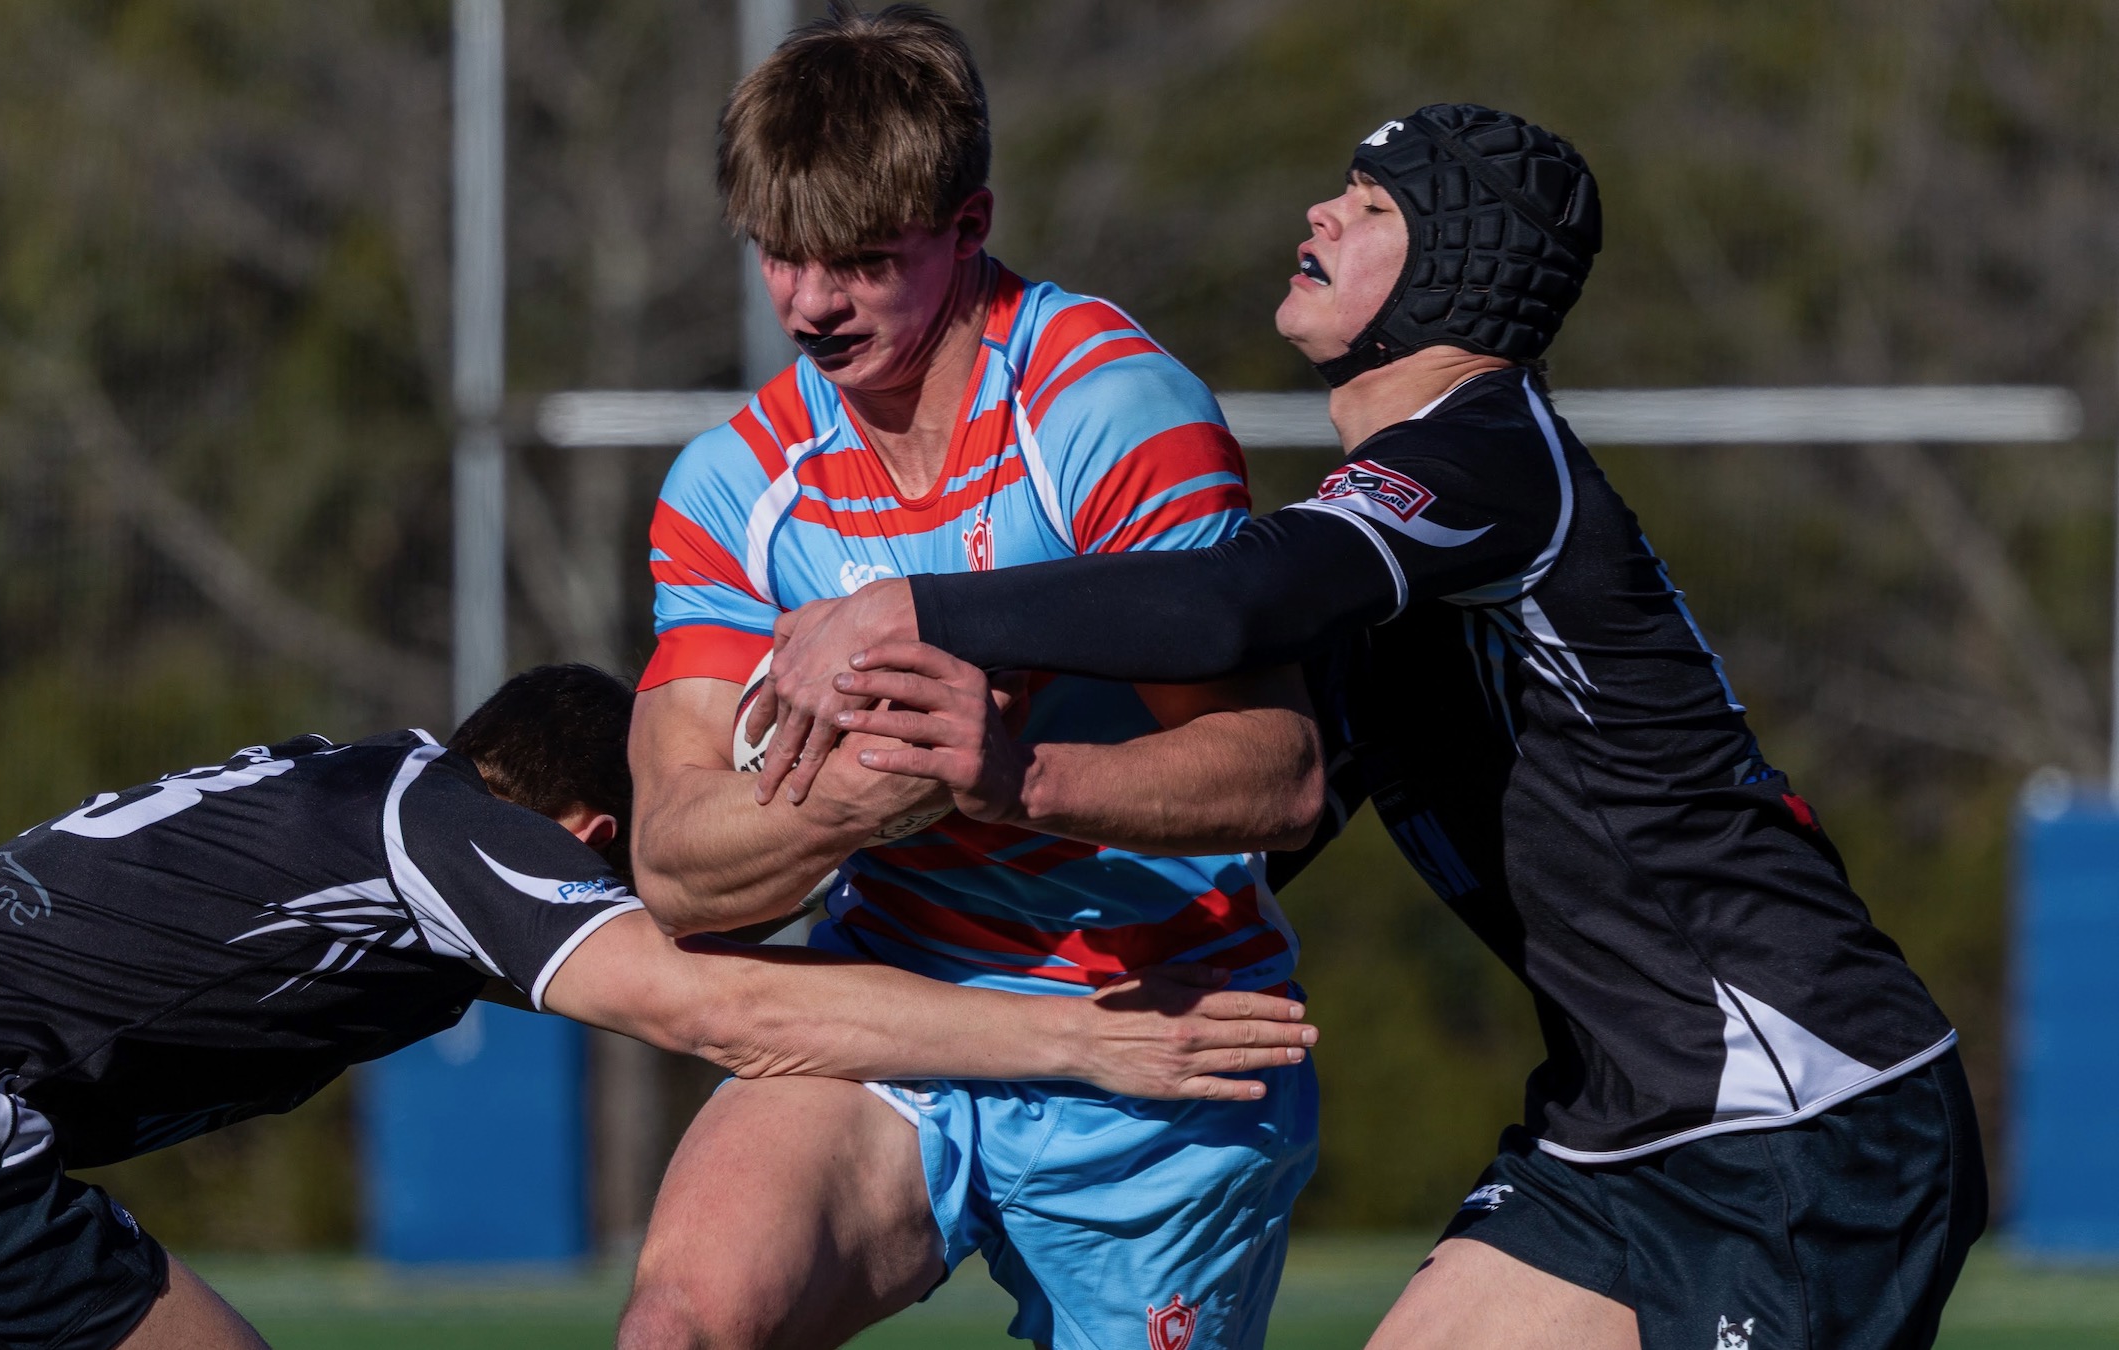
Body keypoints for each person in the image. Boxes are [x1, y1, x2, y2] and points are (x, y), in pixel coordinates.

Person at [758, 104, 1986, 1350]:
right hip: (1625, 1118)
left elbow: (1232, 601)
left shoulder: (1487, 454)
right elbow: (1275, 802)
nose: (1321, 213)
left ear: (1456, 266)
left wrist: (911, 605)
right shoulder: (1402, 537)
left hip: (1806, 1115)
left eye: (1374, 205)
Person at [0, 663, 1314, 1350]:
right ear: (593, 838)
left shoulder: (339, 787)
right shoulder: (448, 833)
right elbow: (713, 1010)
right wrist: (1076, 1031)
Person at [620, 7, 1327, 1348]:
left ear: (969, 222)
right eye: (780, 256)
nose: (812, 304)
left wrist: (1014, 776)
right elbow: (677, 861)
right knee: (681, 1327)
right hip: (894, 1002)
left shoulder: (1103, 407)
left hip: (1160, 1016)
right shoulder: (733, 485)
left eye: (862, 262)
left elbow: (1282, 776)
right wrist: (862, 798)